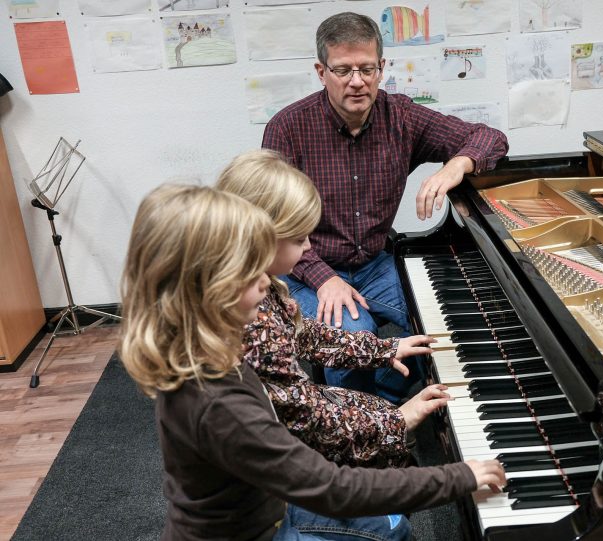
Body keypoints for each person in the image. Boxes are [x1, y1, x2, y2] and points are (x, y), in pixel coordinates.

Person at [118, 184, 506, 540]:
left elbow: (302, 341)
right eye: (249, 270)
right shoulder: (218, 401)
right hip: (257, 529)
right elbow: (330, 486)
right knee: (393, 531)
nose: (264, 282)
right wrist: (458, 476)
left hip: (267, 500)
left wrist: (383, 353)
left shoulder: (207, 346)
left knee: (392, 520)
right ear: (203, 286)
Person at [262, 11, 509, 400]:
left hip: (377, 263)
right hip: (309, 268)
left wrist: (457, 165)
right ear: (321, 71)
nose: (357, 81)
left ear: (382, 67)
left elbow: (488, 136)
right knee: (353, 336)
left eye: (367, 69)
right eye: (343, 70)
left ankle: (383, 408)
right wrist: (325, 279)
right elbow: (274, 226)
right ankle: (357, 434)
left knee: (445, 320)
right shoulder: (287, 127)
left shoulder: (402, 117)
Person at [217, 149, 446, 468]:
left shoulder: (254, 281)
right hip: (268, 469)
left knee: (379, 421)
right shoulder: (249, 319)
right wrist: (396, 421)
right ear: (259, 238)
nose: (310, 247)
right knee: (396, 469)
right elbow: (304, 416)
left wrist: (382, 350)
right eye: (299, 239)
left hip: (285, 423)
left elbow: (304, 335)